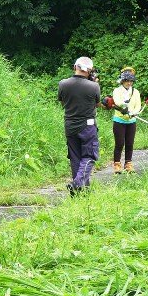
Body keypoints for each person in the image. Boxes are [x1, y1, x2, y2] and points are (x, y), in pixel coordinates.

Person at [57, 56, 102, 195]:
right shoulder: (94, 86)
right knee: (89, 156)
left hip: (69, 125)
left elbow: (63, 103)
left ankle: (82, 192)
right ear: (89, 71)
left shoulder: (63, 84)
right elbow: (98, 105)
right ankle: (77, 183)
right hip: (87, 126)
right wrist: (94, 83)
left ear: (74, 67)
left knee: (75, 158)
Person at [109, 67, 142, 173]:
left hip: (131, 121)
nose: (129, 83)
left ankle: (128, 164)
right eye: (127, 80)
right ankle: (117, 165)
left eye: (131, 81)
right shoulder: (117, 90)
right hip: (119, 120)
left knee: (130, 143)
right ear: (123, 80)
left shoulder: (135, 92)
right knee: (119, 143)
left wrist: (134, 112)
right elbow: (117, 101)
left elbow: (138, 105)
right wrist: (124, 104)